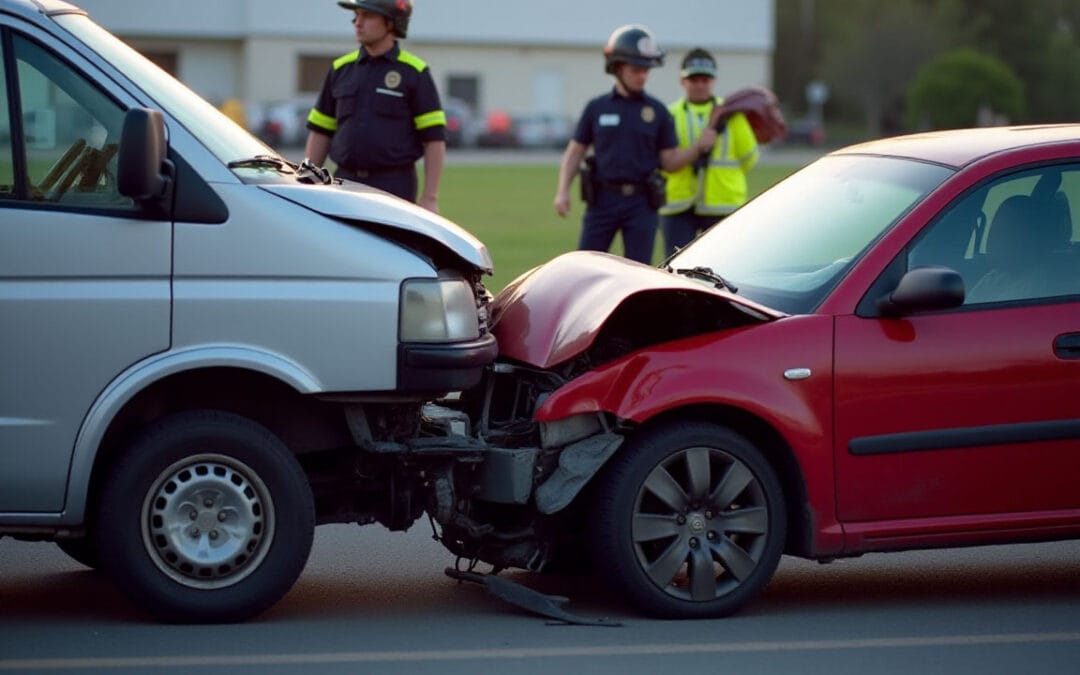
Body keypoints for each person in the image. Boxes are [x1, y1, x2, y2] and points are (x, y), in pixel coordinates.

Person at [553, 25, 717, 265]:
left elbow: (669, 162)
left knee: (638, 272)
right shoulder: (597, 108)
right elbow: (575, 151)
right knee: (585, 266)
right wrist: (562, 190)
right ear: (617, 67)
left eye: (646, 70)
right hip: (601, 202)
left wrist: (697, 148)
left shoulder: (658, 112)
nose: (643, 76)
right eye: (636, 69)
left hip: (642, 206)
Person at [304, 0, 447, 212]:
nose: (357, 23)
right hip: (344, 182)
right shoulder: (340, 69)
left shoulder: (415, 72)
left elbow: (434, 140)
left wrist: (430, 198)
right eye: (356, 15)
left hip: (394, 186)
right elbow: (321, 130)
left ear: (391, 23)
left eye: (367, 16)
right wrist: (306, 181)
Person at [659, 48, 759, 256]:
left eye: (705, 79)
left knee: (725, 269)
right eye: (694, 79)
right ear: (682, 81)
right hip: (678, 206)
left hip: (723, 205)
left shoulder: (732, 114)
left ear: (713, 81)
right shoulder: (669, 115)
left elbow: (750, 157)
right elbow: (662, 161)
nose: (700, 84)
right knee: (676, 269)